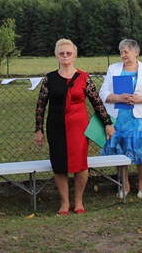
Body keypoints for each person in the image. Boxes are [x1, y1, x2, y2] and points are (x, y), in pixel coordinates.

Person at [34, 38, 115, 215]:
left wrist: (107, 123)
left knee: (80, 164)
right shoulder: (49, 79)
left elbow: (97, 102)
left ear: (75, 56)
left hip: (79, 128)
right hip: (55, 126)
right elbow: (41, 105)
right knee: (59, 164)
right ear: (56, 56)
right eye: (61, 53)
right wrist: (38, 130)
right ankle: (64, 202)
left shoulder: (84, 78)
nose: (65, 56)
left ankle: (78, 201)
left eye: (68, 53)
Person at [99, 39, 142, 199]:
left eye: (126, 52)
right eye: (121, 52)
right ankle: (124, 184)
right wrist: (119, 97)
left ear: (135, 52)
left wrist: (141, 99)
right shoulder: (113, 69)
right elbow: (103, 93)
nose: (123, 55)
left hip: (141, 119)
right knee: (119, 149)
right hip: (119, 118)